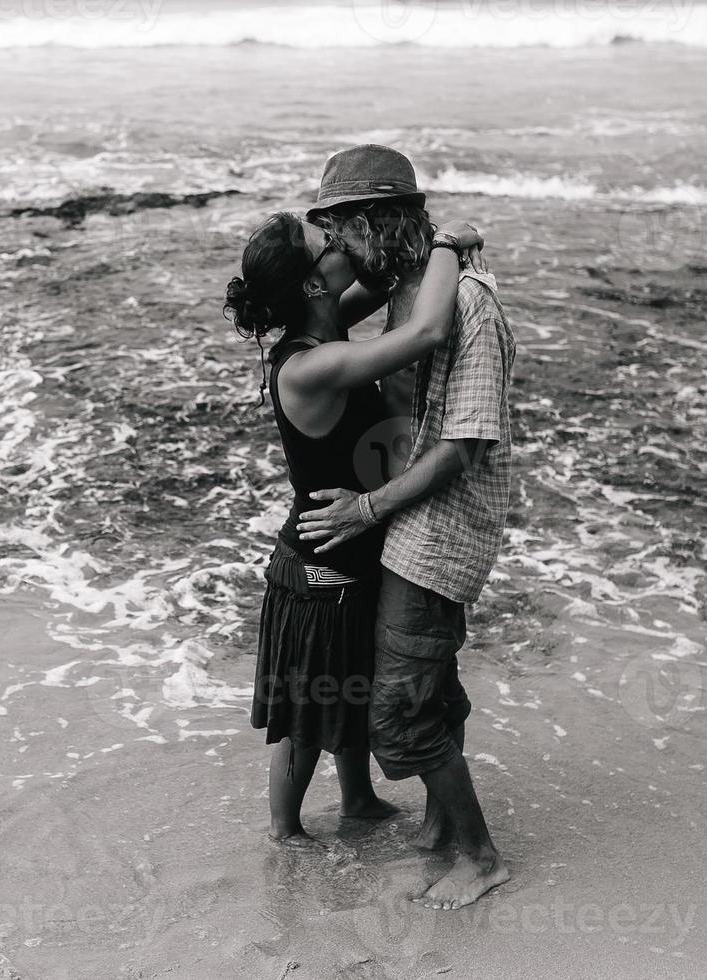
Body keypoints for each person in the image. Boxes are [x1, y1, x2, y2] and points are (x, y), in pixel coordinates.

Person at [224, 208, 483, 846]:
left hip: (348, 543)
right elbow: (424, 332)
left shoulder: (327, 325)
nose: (343, 243)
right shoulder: (307, 365)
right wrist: (451, 243)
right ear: (313, 283)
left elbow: (389, 275)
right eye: (329, 242)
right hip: (318, 560)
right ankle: (285, 833)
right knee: (309, 711)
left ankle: (359, 801)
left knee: (349, 684)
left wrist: (407, 240)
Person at [301, 144, 516, 909]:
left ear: (368, 222)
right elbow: (318, 321)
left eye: (338, 233)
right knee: (429, 682)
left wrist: (365, 507)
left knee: (400, 706)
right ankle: (439, 827)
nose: (333, 251)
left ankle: (482, 855)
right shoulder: (402, 284)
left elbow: (463, 446)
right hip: (407, 519)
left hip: (439, 527)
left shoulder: (466, 304)